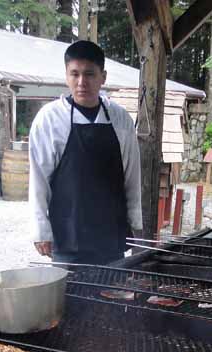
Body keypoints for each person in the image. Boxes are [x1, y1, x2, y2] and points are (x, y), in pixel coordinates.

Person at [29, 40, 143, 265]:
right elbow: (38, 180)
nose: (82, 82)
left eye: (90, 74)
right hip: (68, 236)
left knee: (111, 295)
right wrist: (41, 230)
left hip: (111, 236)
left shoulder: (120, 119)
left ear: (103, 76)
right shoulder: (50, 119)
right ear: (66, 75)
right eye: (75, 74)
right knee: (69, 298)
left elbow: (132, 177)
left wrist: (136, 224)